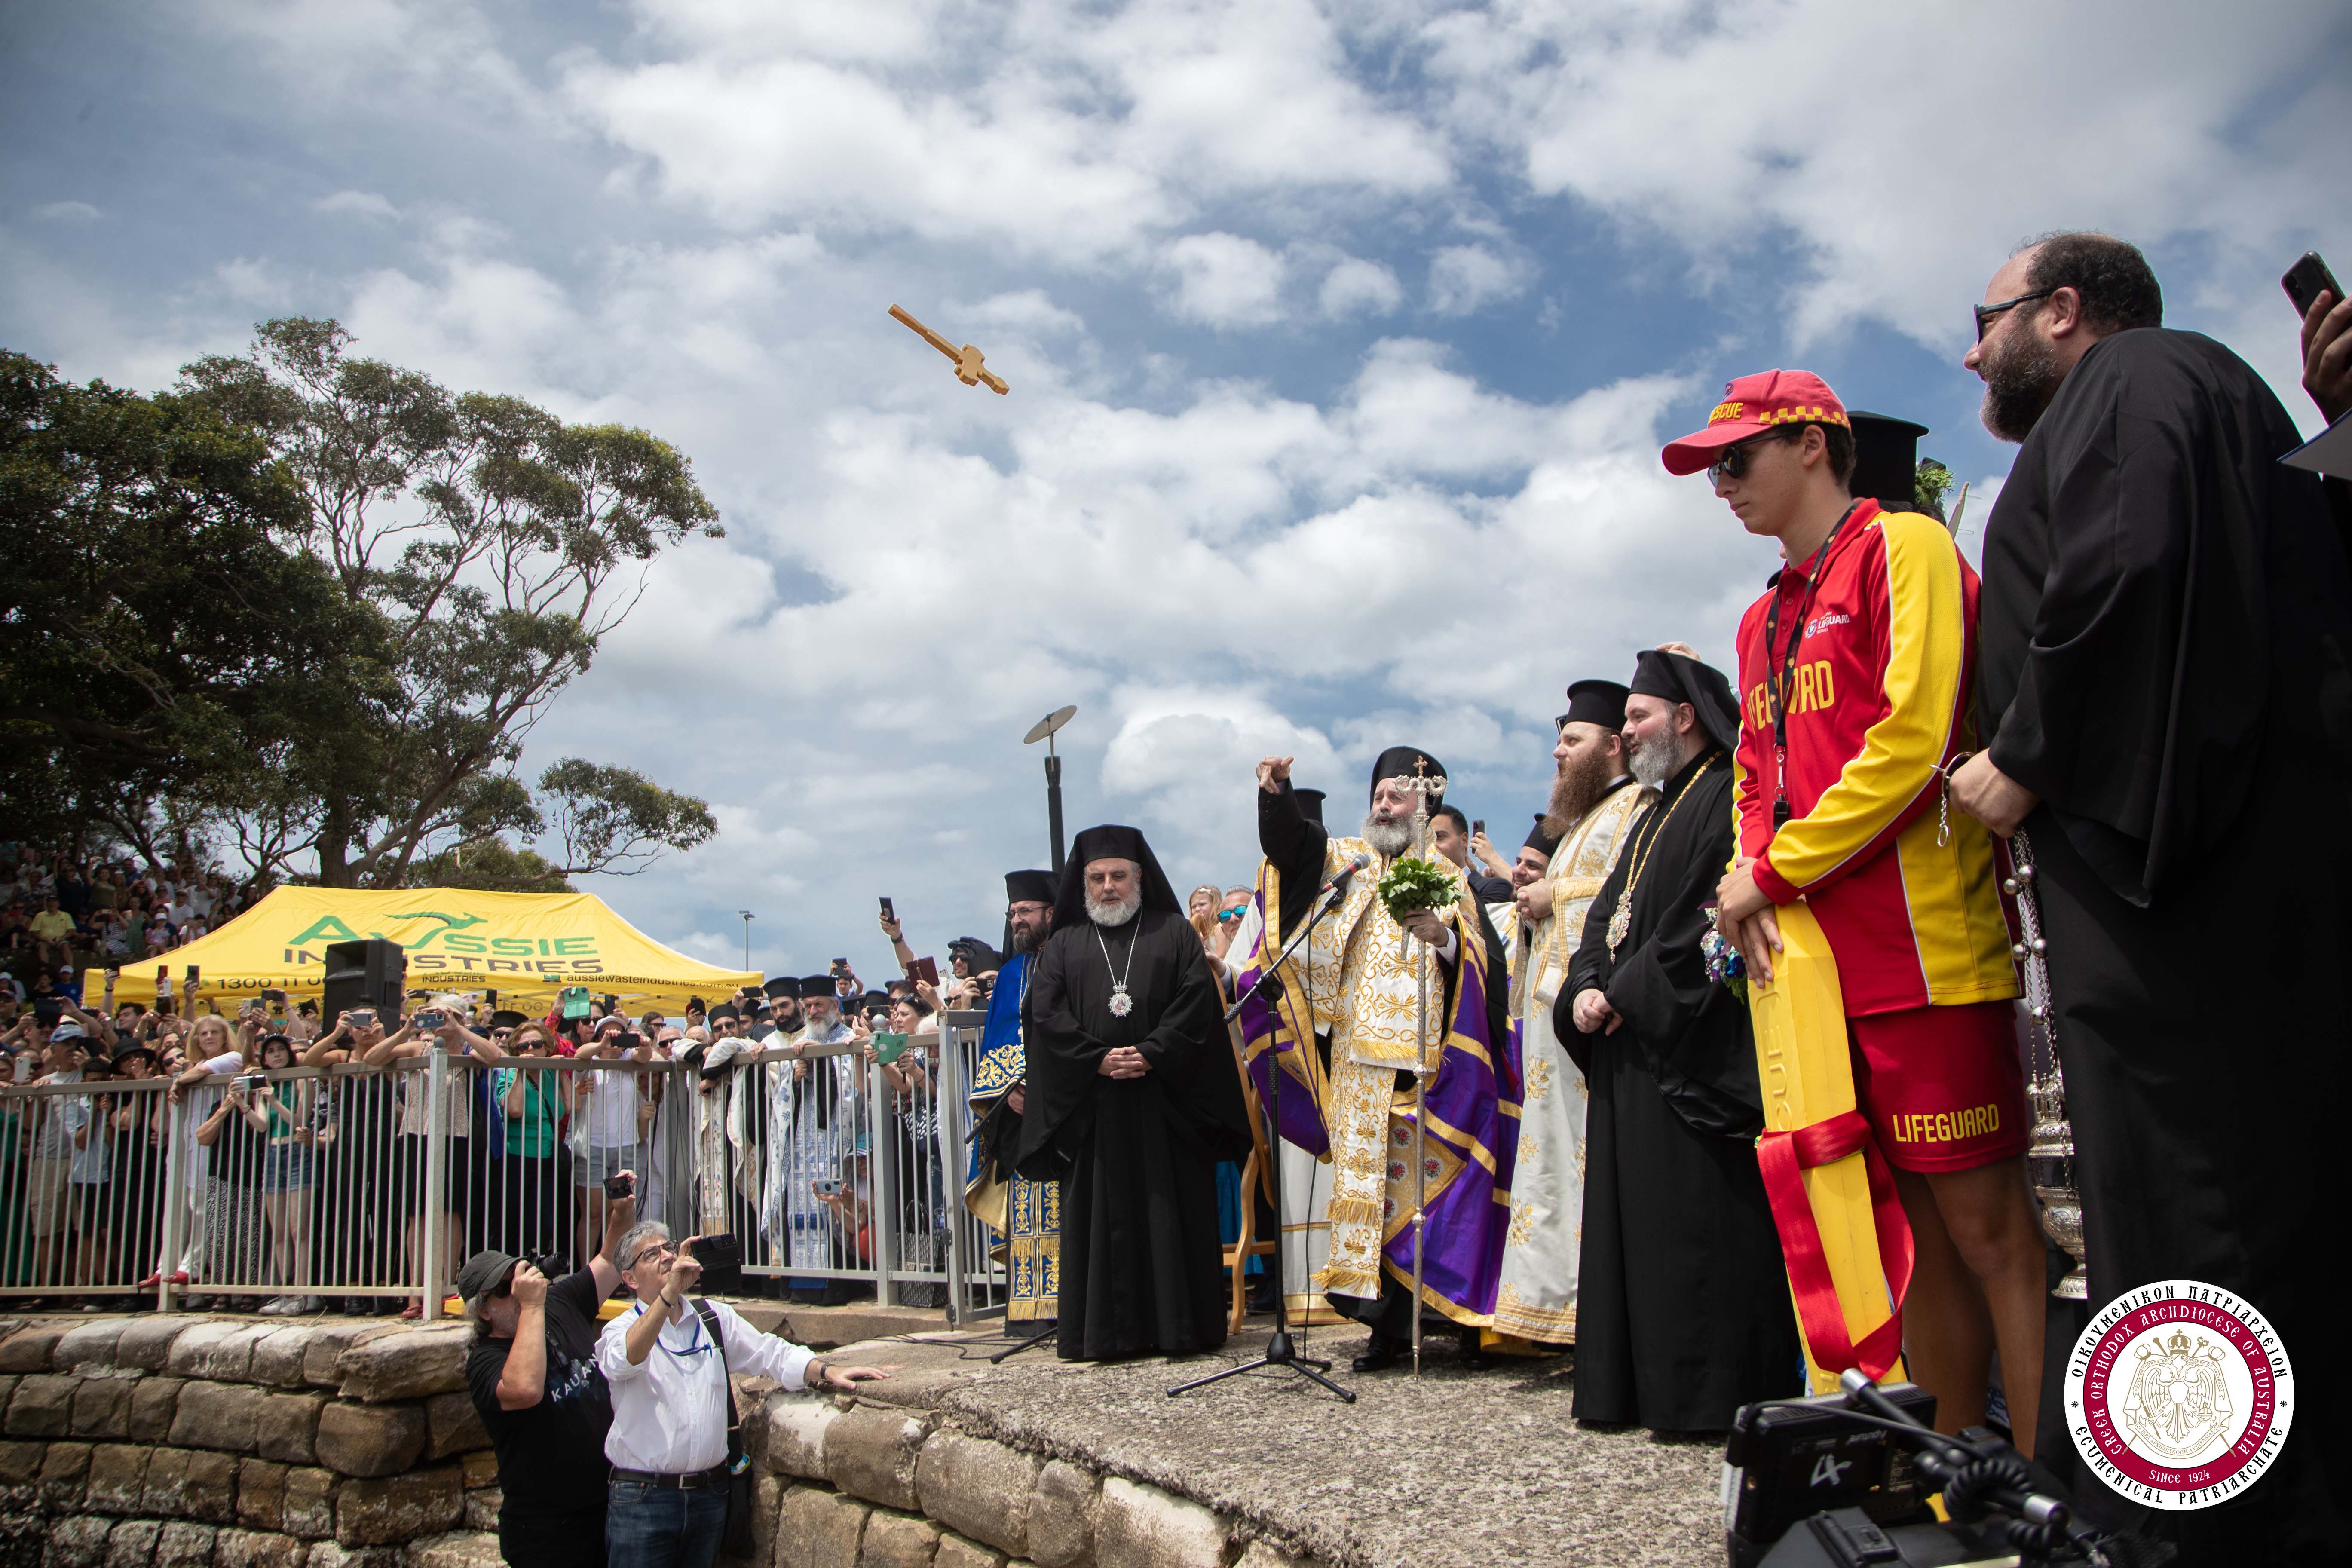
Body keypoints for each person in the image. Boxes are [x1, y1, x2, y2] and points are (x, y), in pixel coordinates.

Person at [1951, 231, 2352, 1560]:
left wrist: (2026, 750)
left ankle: (2204, 1528)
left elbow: (2134, 569)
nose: (1971, 350)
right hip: (2179, 901)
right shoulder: (2178, 400)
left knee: (2197, 1220)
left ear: (2063, 312)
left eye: (1987, 317)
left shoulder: (2142, 377)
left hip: (2173, 902)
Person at [1675, 368, 2044, 1452]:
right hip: (1812, 971)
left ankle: (2041, 1482)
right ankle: (1942, 1475)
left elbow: (1911, 739)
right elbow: (1753, 767)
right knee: (1902, 1242)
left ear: (1810, 445)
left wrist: (1770, 872)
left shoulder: (1907, 547)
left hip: (1923, 953)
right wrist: (1750, 876)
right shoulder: (1757, 619)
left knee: (1990, 1234)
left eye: (1733, 460)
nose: (1720, 486)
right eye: (1709, 468)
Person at [1559, 649, 1801, 1431]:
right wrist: (1586, 986)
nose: (1625, 735)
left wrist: (1625, 993)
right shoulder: (1651, 810)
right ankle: (1631, 1389)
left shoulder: (1729, 792)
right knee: (1635, 1236)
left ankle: (1702, 1394)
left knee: (1694, 1236)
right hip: (1630, 1046)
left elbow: (1707, 915)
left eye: (1636, 718)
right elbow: (1607, 917)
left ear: (1684, 718)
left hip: (1686, 1053)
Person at [1246, 751, 1511, 1372]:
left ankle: (1454, 1320)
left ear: (1428, 804)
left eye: (1398, 797)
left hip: (1435, 1067)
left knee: (1440, 1196)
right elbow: (1292, 846)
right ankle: (1387, 1328)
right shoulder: (1346, 862)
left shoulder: (1451, 882)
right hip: (1359, 1065)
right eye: (1379, 795)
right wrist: (1277, 796)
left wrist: (1443, 940)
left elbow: (1486, 970)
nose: (1384, 806)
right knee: (1371, 1195)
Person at [1013, 826, 1253, 1360]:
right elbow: (1046, 1016)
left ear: (1139, 877)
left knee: (1171, 1216)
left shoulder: (1174, 933)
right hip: (1094, 1111)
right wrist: (1095, 1059)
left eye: (1119, 876)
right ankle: (1104, 1334)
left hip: (1164, 1105)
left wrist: (1153, 1051)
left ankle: (1180, 1329)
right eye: (1097, 878)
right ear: (1083, 884)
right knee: (1100, 1224)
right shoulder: (1064, 946)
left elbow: (1197, 1004)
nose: (1108, 887)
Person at [1488, 679, 1649, 1348]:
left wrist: (1560, 894)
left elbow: (1636, 890)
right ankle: (1558, 1316)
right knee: (1553, 1164)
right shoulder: (1582, 819)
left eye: (1572, 740)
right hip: (1552, 1025)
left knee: (1589, 1165)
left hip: (1592, 1022)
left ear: (1613, 745)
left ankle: (1597, 1317)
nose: (1558, 752)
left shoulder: (1639, 804)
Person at [597, 1223, 890, 1568]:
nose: (666, 1257)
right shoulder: (617, 1331)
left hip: (708, 1496)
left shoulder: (710, 1319)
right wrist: (668, 1296)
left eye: (668, 1248)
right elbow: (629, 1357)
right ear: (631, 1280)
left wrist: (825, 1370)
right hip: (644, 1501)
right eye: (651, 1254)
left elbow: (768, 1352)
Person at [462, 1170, 640, 1568]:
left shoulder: (557, 1302)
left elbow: (611, 1259)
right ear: (485, 1309)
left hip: (609, 1506)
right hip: (545, 1530)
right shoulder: (484, 1361)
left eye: (517, 1276)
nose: (520, 1288)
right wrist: (530, 1306)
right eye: (506, 1288)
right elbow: (526, 1389)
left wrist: (621, 1211)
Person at [966, 870, 1061, 1329]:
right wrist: (1008, 1088)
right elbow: (997, 1042)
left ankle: (1074, 1308)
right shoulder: (1009, 974)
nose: (1017, 921)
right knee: (1029, 1208)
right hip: (1022, 1116)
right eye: (1012, 914)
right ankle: (1031, 1313)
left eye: (1025, 912)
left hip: (1068, 1110)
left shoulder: (1073, 958)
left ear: (1051, 913)